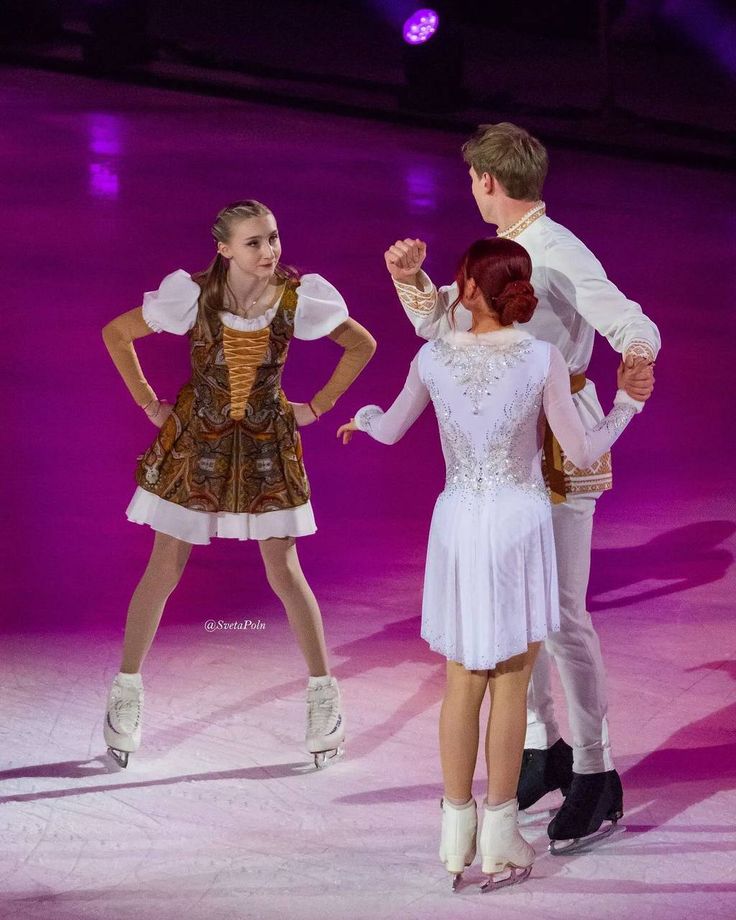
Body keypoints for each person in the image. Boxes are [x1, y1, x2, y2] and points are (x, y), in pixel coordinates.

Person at [337, 237, 645, 888]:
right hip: (519, 522)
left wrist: (362, 419)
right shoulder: (542, 359)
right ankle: (502, 836)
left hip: (457, 525)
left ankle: (458, 840)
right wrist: (628, 404)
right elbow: (583, 452)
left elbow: (390, 429)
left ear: (470, 292)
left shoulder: (432, 356)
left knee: (461, 683)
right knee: (509, 684)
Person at [385, 123, 660, 851]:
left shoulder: (561, 253)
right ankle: (542, 748)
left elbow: (637, 325)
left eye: (470, 176)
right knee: (517, 611)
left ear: (486, 181)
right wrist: (413, 282)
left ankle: (598, 774)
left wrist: (634, 369)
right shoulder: (500, 254)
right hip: (506, 439)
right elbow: (443, 327)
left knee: (562, 613)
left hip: (561, 443)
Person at [101, 199, 376, 769]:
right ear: (224, 249)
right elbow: (117, 333)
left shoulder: (299, 299)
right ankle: (125, 695)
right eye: (254, 242)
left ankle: (325, 698)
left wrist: (320, 406)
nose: (269, 250)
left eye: (273, 237)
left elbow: (362, 344)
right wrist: (150, 404)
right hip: (195, 445)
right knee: (165, 565)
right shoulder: (192, 296)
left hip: (266, 449)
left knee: (285, 569)